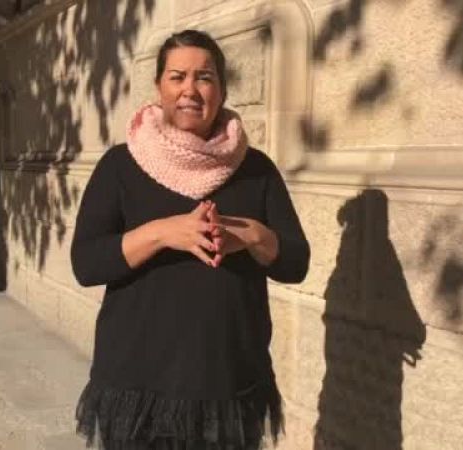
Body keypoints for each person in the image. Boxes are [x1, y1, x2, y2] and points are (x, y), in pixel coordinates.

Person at [71, 29, 310, 450]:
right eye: (177, 76)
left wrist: (250, 234)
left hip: (229, 385)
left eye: (204, 77)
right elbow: (87, 263)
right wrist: (163, 232)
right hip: (139, 387)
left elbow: (295, 263)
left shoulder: (256, 169)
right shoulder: (120, 165)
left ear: (222, 90)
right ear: (159, 87)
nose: (190, 90)